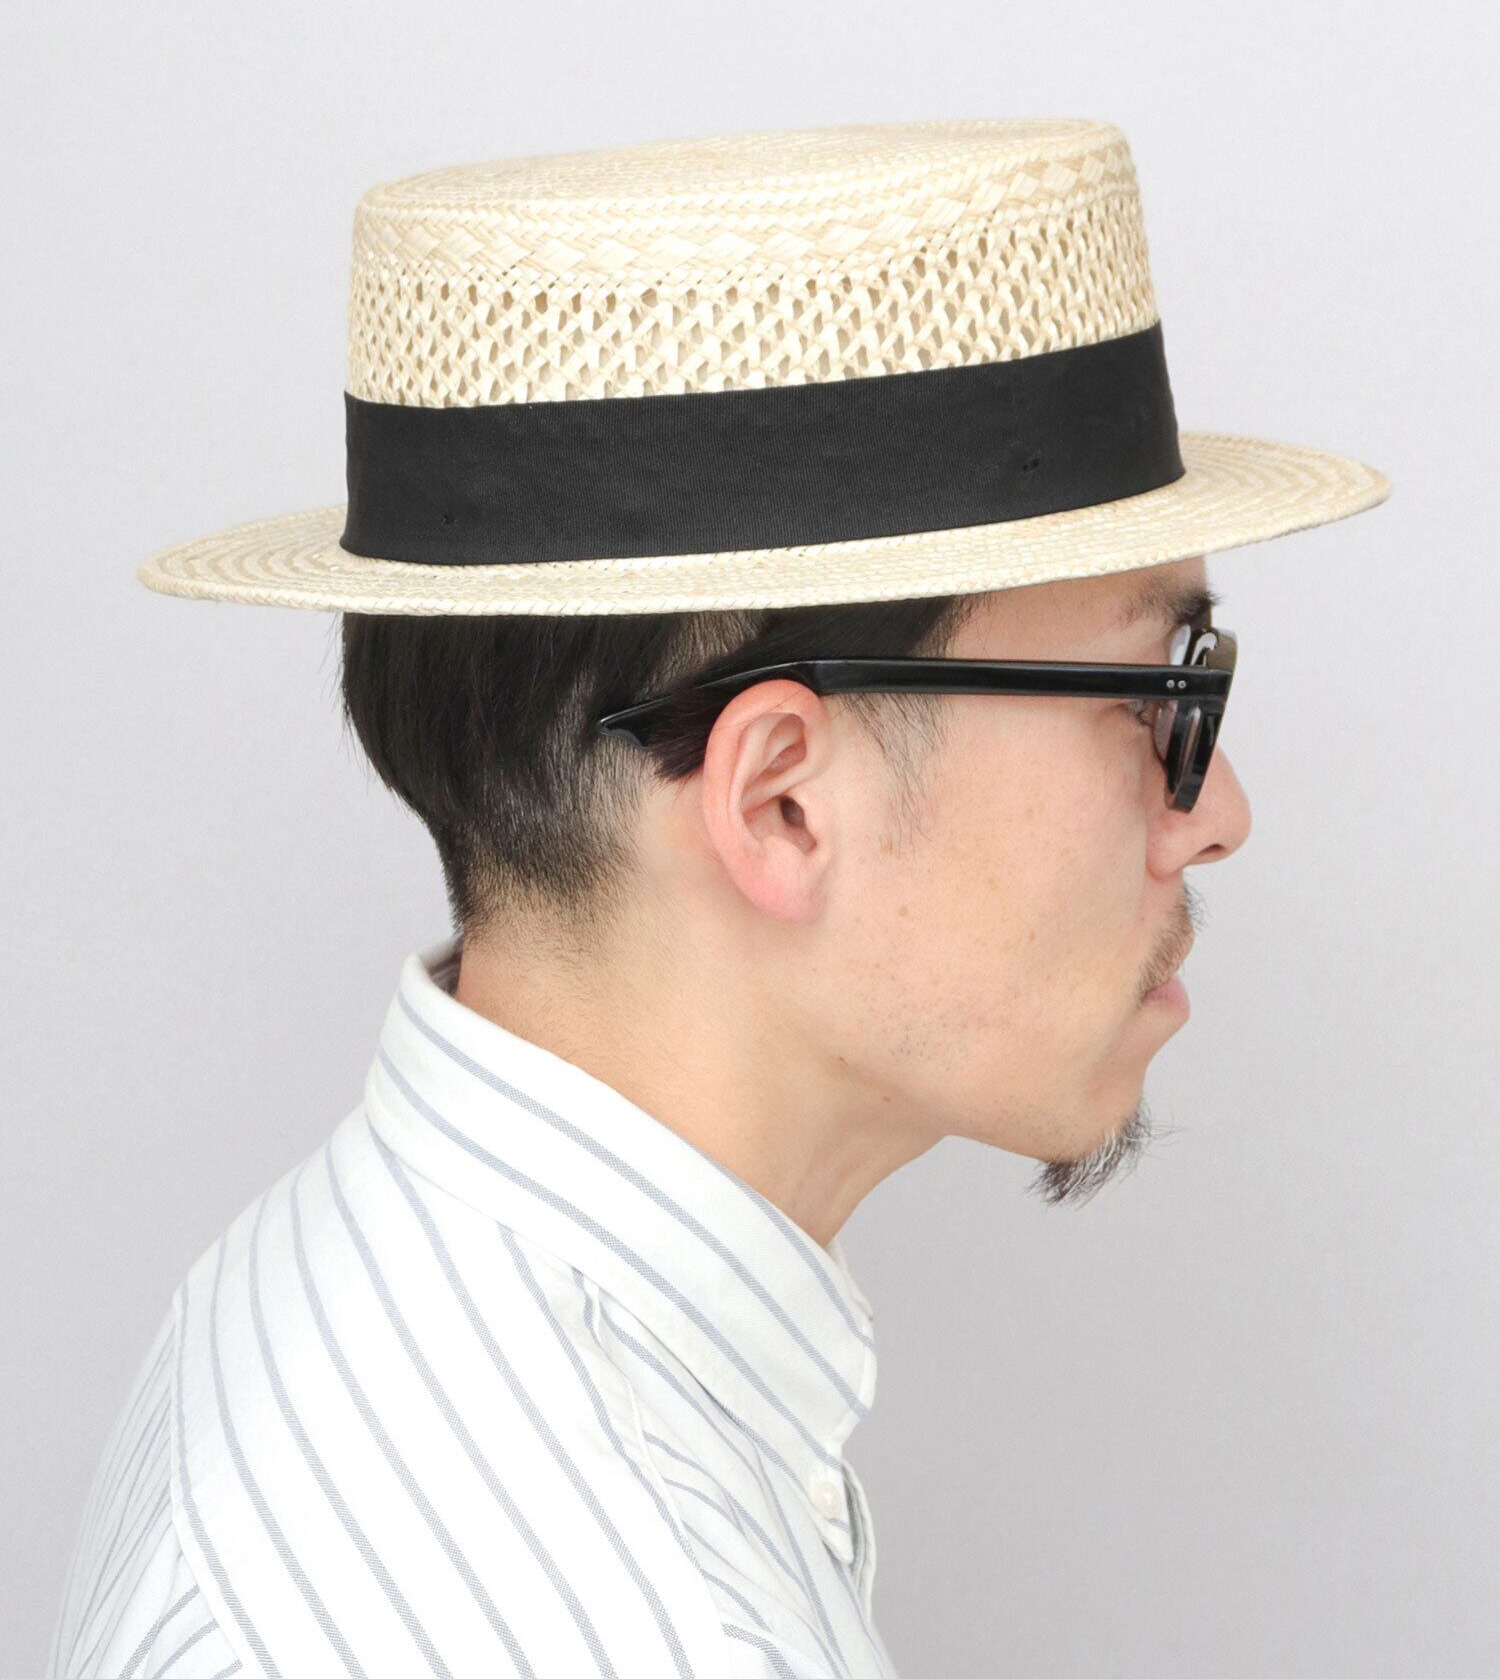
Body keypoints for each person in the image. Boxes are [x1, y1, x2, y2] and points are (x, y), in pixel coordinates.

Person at [48, 118, 1390, 1679]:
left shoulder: (333, 1296)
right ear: (782, 802)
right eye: (1160, 687)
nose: (1215, 816)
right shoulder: (630, 1624)